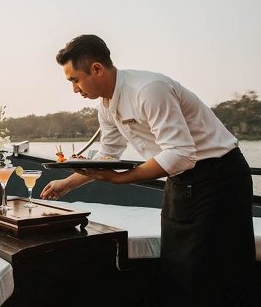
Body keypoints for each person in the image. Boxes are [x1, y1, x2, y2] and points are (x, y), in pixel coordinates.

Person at [40, 34, 258, 306]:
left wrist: (123, 179)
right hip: (180, 181)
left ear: (97, 69)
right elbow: (107, 155)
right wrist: (66, 183)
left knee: (214, 271)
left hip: (219, 178)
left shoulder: (148, 89)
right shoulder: (106, 107)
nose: (74, 89)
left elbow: (180, 153)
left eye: (75, 80)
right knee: (178, 268)